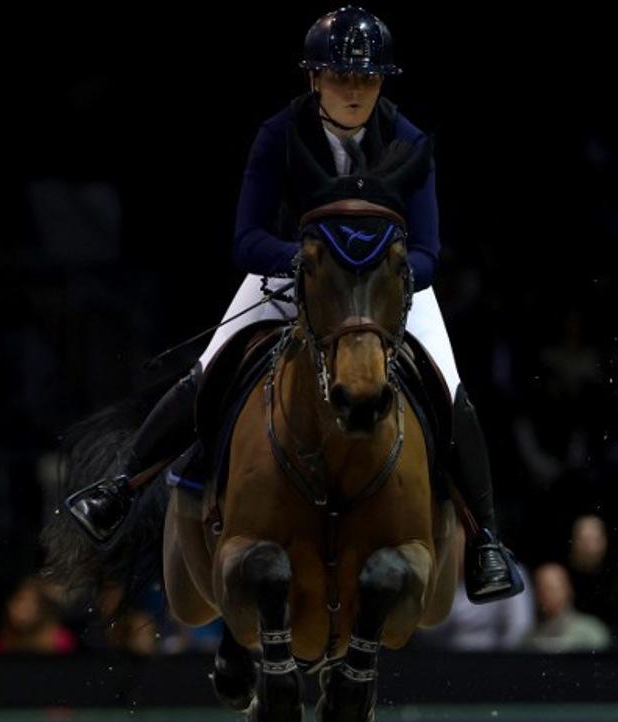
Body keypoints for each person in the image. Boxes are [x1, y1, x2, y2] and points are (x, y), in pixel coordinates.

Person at [65, 7, 521, 603]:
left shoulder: (408, 142)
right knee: (211, 370)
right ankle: (121, 489)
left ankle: (485, 538)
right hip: (294, 279)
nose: (353, 91)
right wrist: (313, 264)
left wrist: (380, 272)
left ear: (382, 82)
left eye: (365, 78)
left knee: (450, 389)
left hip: (383, 290)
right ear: (314, 79)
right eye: (340, 77)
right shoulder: (279, 135)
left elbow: (431, 250)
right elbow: (246, 238)